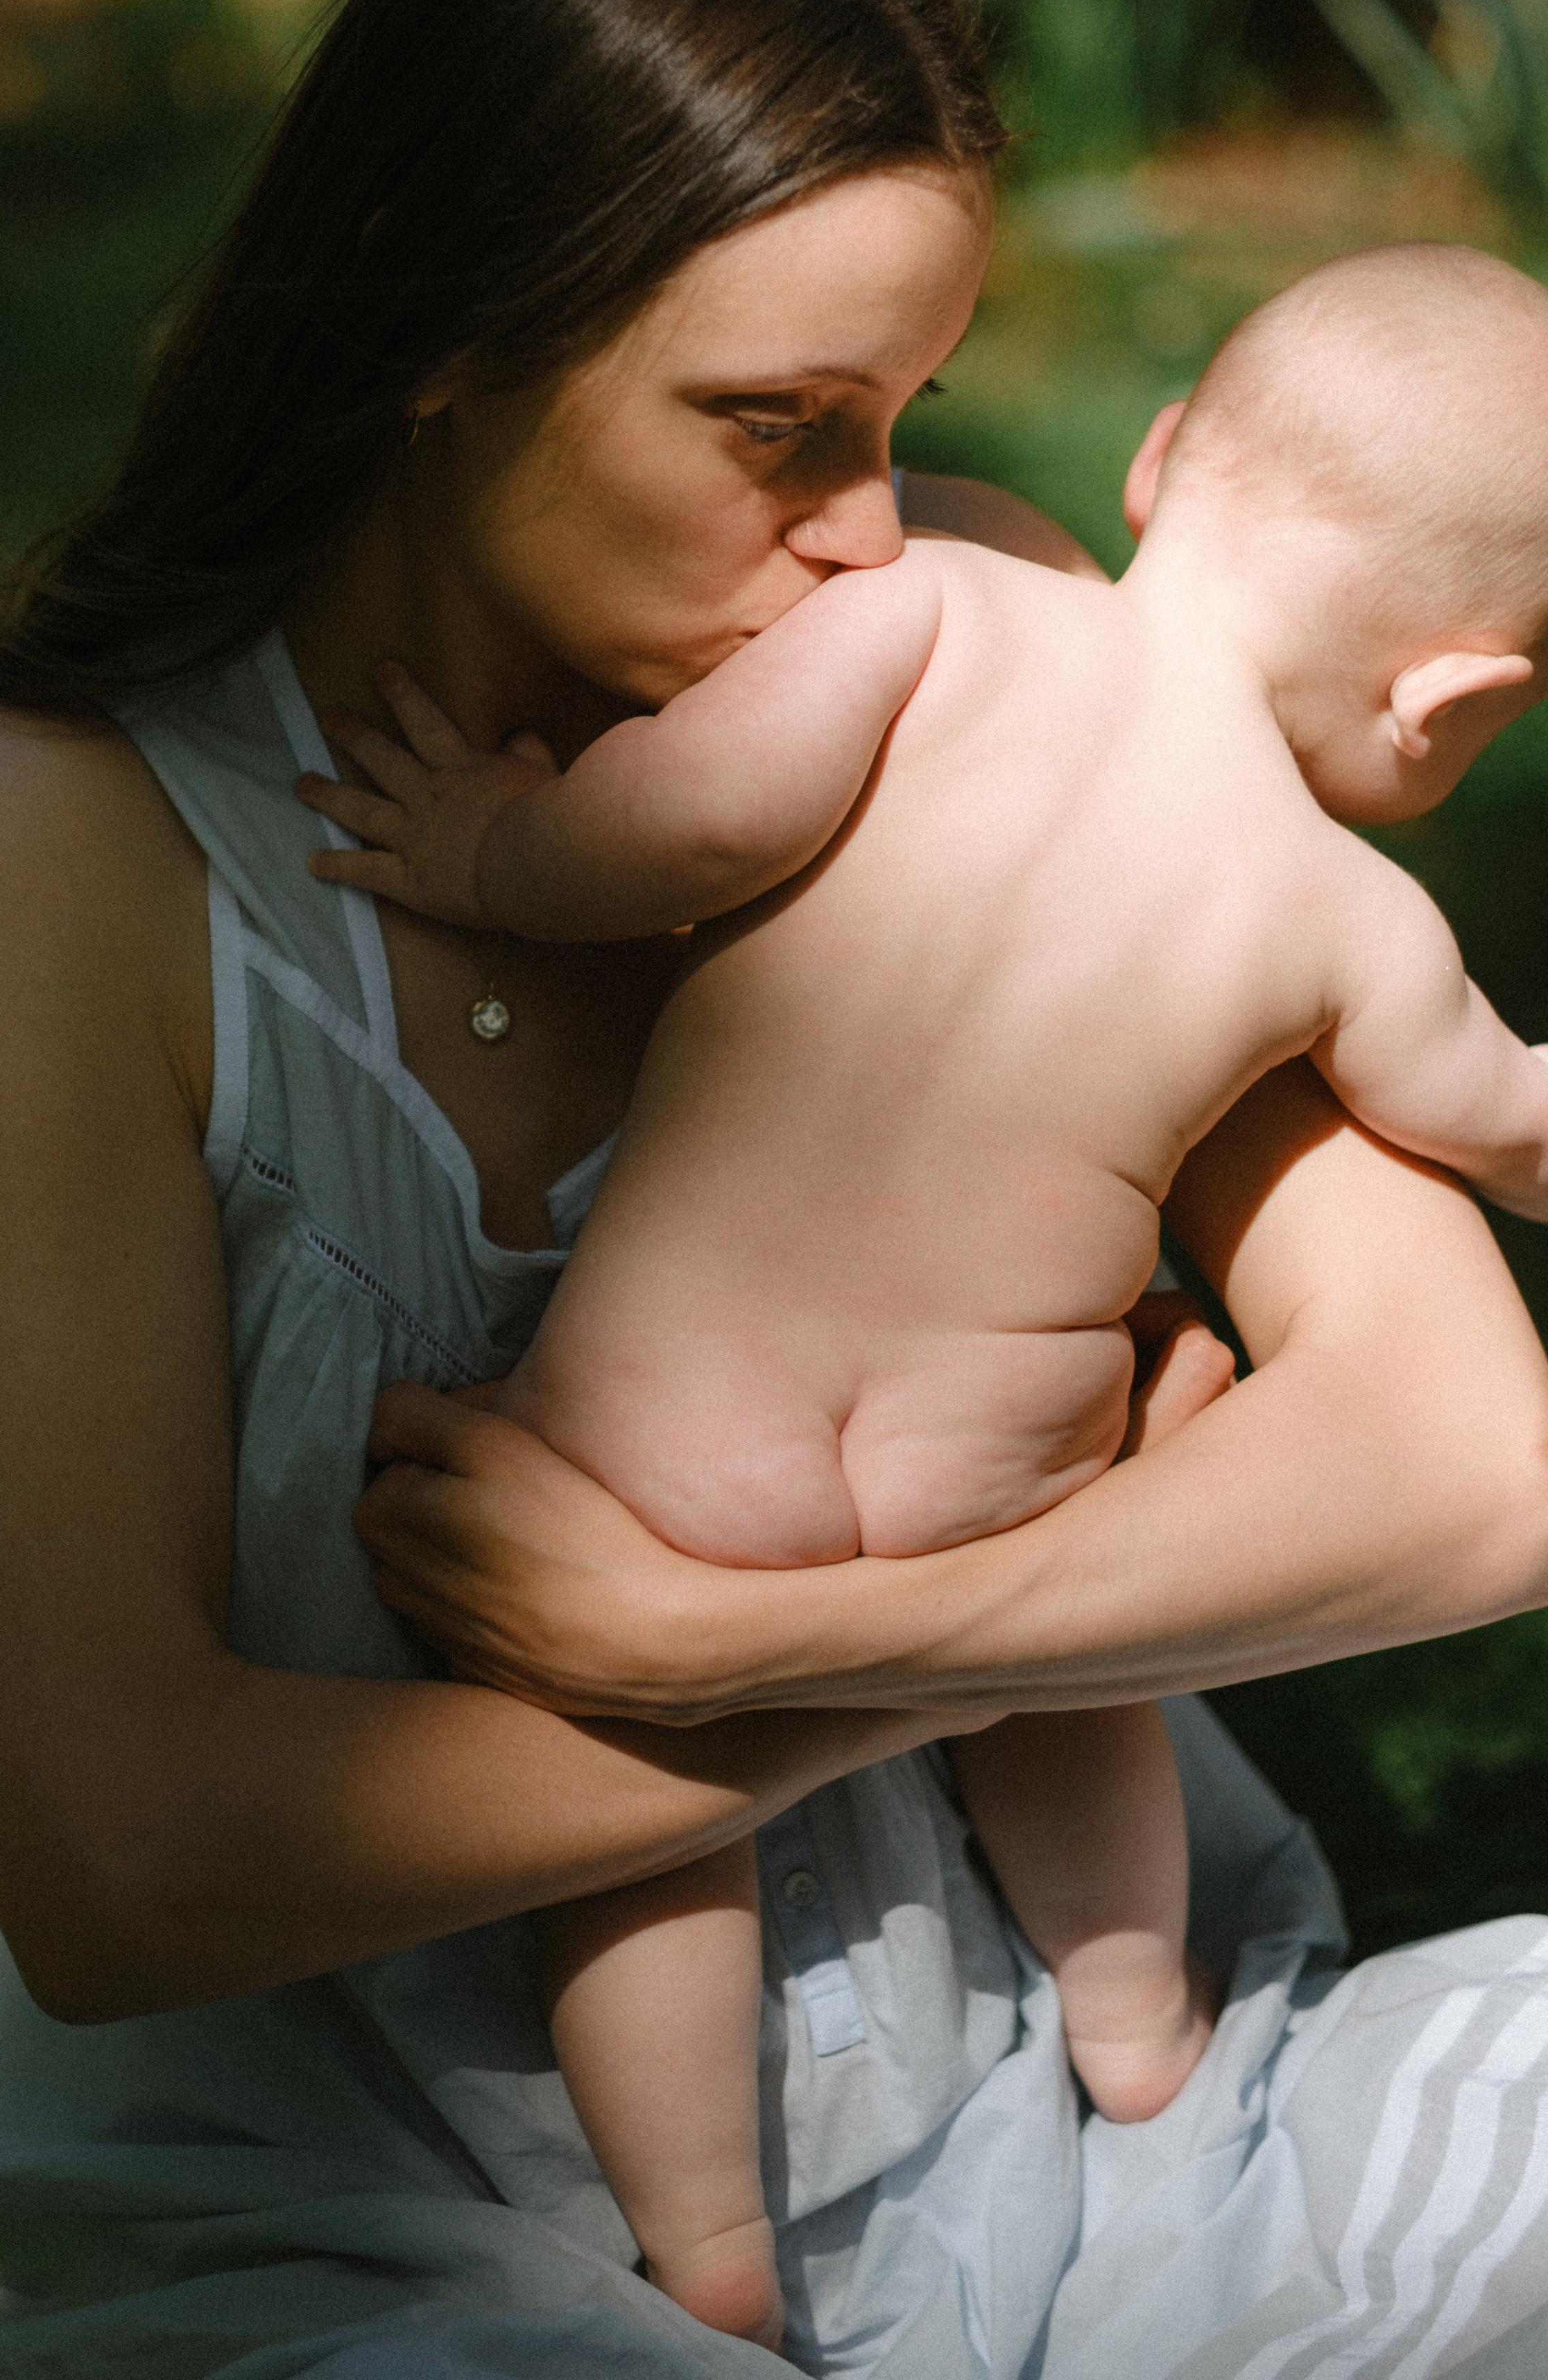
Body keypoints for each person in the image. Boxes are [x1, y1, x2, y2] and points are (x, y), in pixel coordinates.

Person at [0, 0, 1548, 2380]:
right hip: (394, 2267)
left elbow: (1479, 1464)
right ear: (452, 333)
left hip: (1107, 2151)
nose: (875, 532)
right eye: (780, 426)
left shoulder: (980, 659)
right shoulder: (61, 855)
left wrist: (742, 1618)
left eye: (907, 414)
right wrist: (899, 1664)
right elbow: (120, 1863)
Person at [301, 238, 1548, 2352]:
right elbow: (1502, 1125)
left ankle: (699, 2243)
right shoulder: (1350, 914)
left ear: (1155, 461)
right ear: (1456, 701)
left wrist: (494, 849)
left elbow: (690, 823)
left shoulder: (937, 615)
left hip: (683, 1420)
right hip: (1009, 1451)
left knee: (633, 1814)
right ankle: (1138, 2020)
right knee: (1080, 1685)